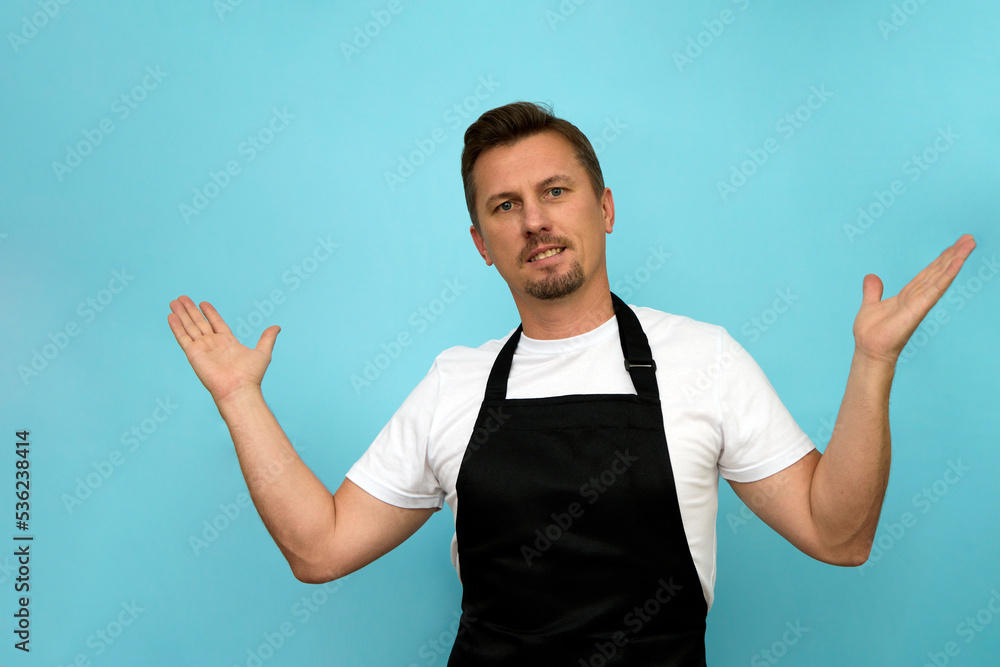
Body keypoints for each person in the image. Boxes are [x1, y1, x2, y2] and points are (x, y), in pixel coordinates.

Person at [167, 101, 976, 665]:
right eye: (505, 206)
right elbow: (320, 548)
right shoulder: (456, 383)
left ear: (604, 206)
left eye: (555, 192)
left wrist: (874, 365)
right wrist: (240, 398)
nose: (535, 221)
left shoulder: (703, 358)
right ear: (482, 241)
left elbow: (840, 536)